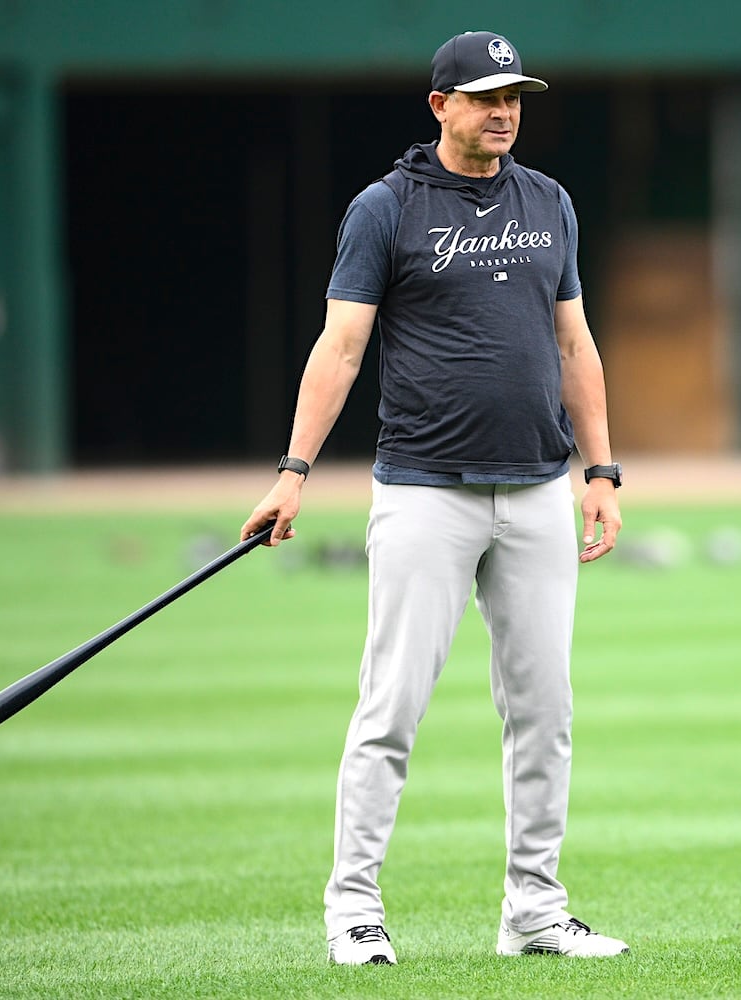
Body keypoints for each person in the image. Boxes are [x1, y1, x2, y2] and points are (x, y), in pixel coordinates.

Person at [240, 29, 628, 965]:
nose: (504, 112)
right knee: (391, 712)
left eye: (514, 97)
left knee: (545, 713)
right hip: (425, 492)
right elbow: (341, 348)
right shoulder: (386, 208)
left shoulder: (549, 200)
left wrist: (601, 473)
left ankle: (534, 910)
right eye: (486, 97)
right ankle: (353, 912)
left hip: (537, 488)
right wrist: (293, 471)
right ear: (440, 106)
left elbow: (574, 344)